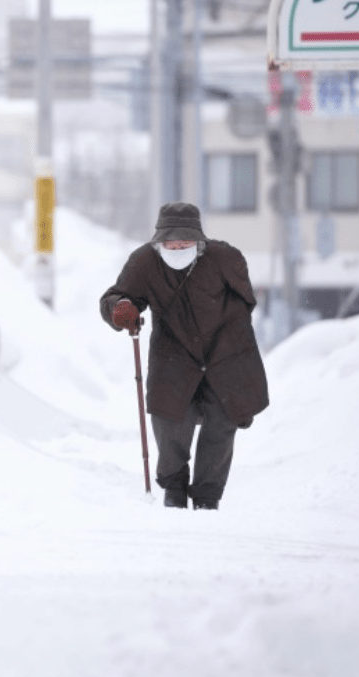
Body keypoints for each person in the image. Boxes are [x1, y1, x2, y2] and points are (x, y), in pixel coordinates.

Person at [99, 202, 268, 510]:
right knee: (170, 422)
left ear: (199, 241)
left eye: (185, 242)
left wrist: (229, 330)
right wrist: (122, 309)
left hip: (224, 354)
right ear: (158, 241)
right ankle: (173, 491)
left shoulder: (225, 259)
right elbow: (115, 296)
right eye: (171, 242)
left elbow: (246, 299)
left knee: (221, 423)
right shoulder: (144, 263)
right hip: (172, 355)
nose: (177, 247)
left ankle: (207, 497)